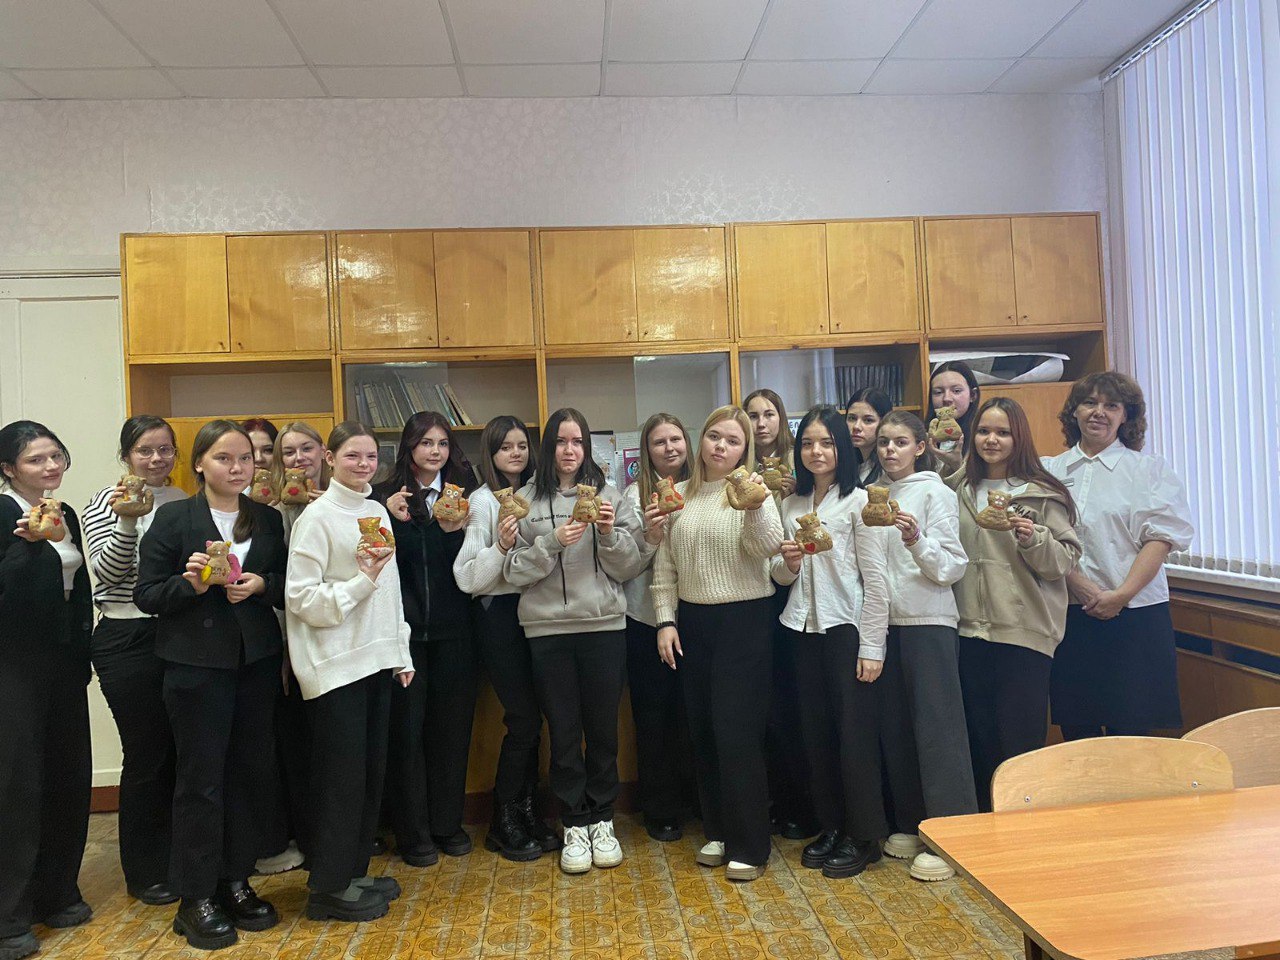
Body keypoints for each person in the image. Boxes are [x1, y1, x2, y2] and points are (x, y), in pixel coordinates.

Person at [135, 420, 287, 951]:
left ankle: (235, 880)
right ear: (199, 463)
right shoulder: (174, 518)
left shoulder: (266, 518)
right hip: (196, 666)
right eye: (224, 458)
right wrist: (191, 584)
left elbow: (288, 582)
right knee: (200, 780)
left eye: (245, 458)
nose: (237, 467)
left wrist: (263, 585)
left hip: (255, 663)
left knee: (249, 773)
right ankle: (195, 897)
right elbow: (147, 594)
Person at [503, 408, 643, 874]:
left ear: (587, 447)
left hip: (604, 627)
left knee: (603, 731)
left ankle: (603, 819)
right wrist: (552, 543)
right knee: (563, 732)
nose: (569, 450)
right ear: (548, 447)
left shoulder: (610, 496)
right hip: (547, 632)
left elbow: (630, 566)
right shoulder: (523, 501)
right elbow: (513, 571)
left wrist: (606, 533)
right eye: (561, 441)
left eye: (578, 441)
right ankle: (574, 824)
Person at [285, 422, 413, 922]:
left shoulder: (374, 510)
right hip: (336, 665)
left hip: (376, 660)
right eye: (353, 456)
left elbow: (390, 589)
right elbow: (300, 598)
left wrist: (401, 651)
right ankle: (327, 888)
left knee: (368, 776)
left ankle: (353, 871)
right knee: (340, 780)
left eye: (371, 457)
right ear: (330, 458)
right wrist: (360, 582)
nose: (364, 465)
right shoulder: (315, 518)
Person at [652, 405, 783, 882]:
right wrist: (665, 620)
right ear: (701, 440)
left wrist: (753, 507)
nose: (720, 446)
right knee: (703, 730)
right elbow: (665, 565)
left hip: (744, 621)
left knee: (737, 733)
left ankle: (750, 844)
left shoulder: (752, 490)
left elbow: (767, 547)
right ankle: (720, 830)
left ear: (744, 449)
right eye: (714, 436)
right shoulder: (680, 494)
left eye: (732, 440)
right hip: (693, 621)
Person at [772, 406, 890, 880]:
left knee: (853, 738)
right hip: (802, 629)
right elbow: (780, 575)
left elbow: (876, 581)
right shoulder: (792, 505)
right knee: (815, 734)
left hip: (847, 630)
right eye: (807, 443)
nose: (816, 452)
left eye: (826, 443)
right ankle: (832, 826)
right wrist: (788, 564)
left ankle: (864, 836)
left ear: (842, 447)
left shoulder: (860, 503)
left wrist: (872, 647)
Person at [1043, 372, 1194, 739]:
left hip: (1135, 616)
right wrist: (1079, 585)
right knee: (1078, 736)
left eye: (1111, 405)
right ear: (1074, 411)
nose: (1099, 412)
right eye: (1089, 403)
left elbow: (1160, 539)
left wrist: (1121, 595)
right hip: (1069, 615)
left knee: (1133, 736)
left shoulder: (1148, 470)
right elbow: (1041, 539)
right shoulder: (1048, 471)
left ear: (1126, 416)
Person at [947, 398, 1080, 812]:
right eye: (984, 431)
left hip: (1024, 636)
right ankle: (984, 829)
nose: (992, 440)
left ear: (1018, 437)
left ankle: (1023, 828)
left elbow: (1062, 563)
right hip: (966, 632)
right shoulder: (957, 490)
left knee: (1018, 742)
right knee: (978, 738)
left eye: (1003, 433)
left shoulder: (1042, 495)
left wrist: (1033, 537)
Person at [82, 416, 187, 905]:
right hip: (125, 635)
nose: (156, 459)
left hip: (177, 632)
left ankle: (183, 858)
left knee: (183, 749)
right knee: (146, 753)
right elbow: (107, 572)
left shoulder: (182, 500)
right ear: (126, 455)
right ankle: (144, 871)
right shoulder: (105, 501)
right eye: (145, 450)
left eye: (165, 449)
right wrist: (127, 517)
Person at [0, 421, 93, 960]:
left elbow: (77, 591)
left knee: (67, 776)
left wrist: (83, 655)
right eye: (36, 459)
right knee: (17, 787)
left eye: (56, 455)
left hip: (63, 663)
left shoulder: (65, 514)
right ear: (9, 468)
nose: (51, 466)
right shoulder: (3, 514)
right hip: (13, 666)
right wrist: (29, 546)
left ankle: (57, 892)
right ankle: (8, 915)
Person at [873, 411, 976, 882]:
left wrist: (916, 540)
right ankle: (914, 822)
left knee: (938, 730)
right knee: (896, 727)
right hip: (883, 625)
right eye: (883, 442)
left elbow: (952, 566)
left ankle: (952, 835)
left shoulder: (936, 492)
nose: (889, 450)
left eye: (899, 442)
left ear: (919, 447)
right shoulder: (871, 495)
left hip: (929, 622)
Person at [452, 416, 556, 862]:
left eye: (522, 446)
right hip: (498, 616)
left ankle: (528, 812)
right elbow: (468, 579)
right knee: (524, 719)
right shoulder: (481, 501)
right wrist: (499, 547)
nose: (516, 453)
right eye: (505, 447)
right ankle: (503, 820)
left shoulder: (536, 495)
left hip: (537, 613)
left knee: (538, 718)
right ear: (490, 454)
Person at [377, 412, 477, 866]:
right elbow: (383, 564)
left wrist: (454, 532)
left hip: (457, 633)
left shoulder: (466, 495)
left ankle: (447, 824)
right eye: (425, 443)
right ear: (409, 447)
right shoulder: (385, 497)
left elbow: (469, 567)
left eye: (442, 443)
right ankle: (413, 832)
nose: (434, 451)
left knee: (451, 733)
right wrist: (391, 518)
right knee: (407, 734)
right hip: (406, 637)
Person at [256, 422, 331, 876]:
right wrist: (286, 645)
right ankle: (305, 837)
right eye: (288, 453)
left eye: (306, 449)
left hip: (336, 637)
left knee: (332, 744)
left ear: (324, 453)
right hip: (291, 640)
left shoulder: (340, 501)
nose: (299, 459)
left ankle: (335, 834)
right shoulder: (273, 513)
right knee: (297, 746)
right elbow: (281, 587)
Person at [620, 413, 696, 842]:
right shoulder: (634, 497)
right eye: (659, 442)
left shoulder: (704, 489)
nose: (669, 448)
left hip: (696, 618)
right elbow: (624, 564)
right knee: (654, 718)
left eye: (675, 439)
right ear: (646, 452)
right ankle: (661, 808)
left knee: (693, 713)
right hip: (646, 620)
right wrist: (649, 535)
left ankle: (698, 801)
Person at [743, 388, 809, 839]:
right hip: (754, 595)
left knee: (791, 704)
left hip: (795, 592)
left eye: (769, 414)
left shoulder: (799, 467)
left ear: (782, 420)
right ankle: (763, 800)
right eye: (753, 415)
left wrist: (788, 494)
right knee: (760, 705)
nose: (762, 423)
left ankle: (796, 802)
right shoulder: (739, 470)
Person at [926, 361, 981, 476]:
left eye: (956, 391)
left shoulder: (983, 436)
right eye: (938, 392)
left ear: (973, 395)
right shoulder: (923, 437)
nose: (947, 398)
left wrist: (956, 466)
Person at [844, 387, 893, 485]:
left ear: (884, 423)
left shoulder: (891, 468)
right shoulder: (848, 462)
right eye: (852, 418)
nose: (856, 427)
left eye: (868, 420)